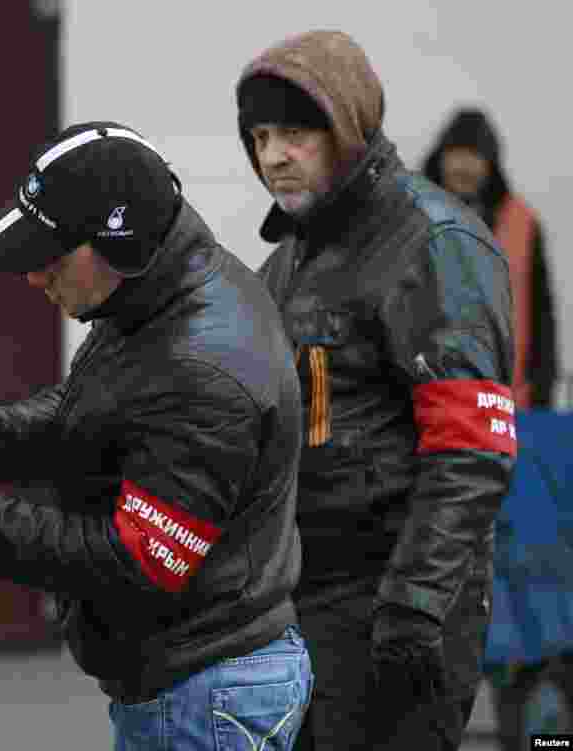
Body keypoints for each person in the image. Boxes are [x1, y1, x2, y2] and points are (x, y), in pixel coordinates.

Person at [0, 121, 312, 750]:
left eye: (51, 257)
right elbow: (101, 410)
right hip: (195, 677)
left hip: (205, 693)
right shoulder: (156, 294)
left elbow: (137, 560)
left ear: (120, 242)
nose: (34, 278)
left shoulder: (202, 366)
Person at [233, 31, 516, 750]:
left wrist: (416, 605)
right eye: (260, 135)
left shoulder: (435, 243)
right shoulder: (292, 257)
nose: (272, 156)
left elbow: (471, 449)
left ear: (348, 126)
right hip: (306, 599)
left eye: (295, 132)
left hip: (398, 603)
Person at [423, 107, 559, 410]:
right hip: (422, 399)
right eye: (456, 153)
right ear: (440, 157)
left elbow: (542, 316)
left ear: (491, 165)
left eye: (475, 156)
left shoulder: (524, 225)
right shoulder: (407, 213)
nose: (464, 166)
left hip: (504, 404)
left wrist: (543, 394)